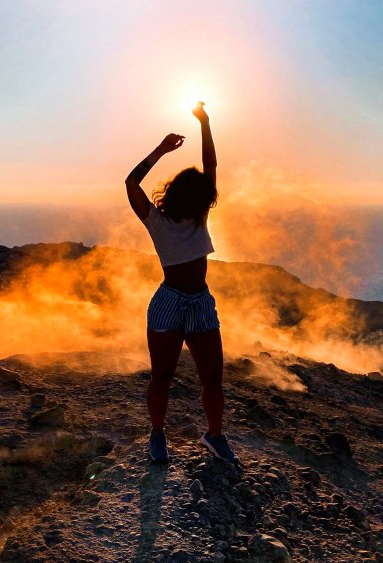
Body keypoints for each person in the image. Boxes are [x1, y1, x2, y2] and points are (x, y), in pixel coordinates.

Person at [125, 101, 237, 464]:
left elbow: (210, 167)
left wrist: (204, 124)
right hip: (171, 302)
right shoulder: (159, 221)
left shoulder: (194, 216)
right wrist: (166, 146)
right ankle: (158, 435)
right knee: (163, 377)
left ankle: (213, 436)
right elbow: (131, 183)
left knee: (211, 379)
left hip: (199, 302)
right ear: (193, 197)